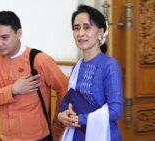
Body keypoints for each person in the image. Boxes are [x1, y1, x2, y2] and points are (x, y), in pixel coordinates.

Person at [0, 11, 68, 141]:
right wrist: (13, 89)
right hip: (5, 137)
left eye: (4, 37)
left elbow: (64, 88)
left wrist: (57, 127)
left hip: (38, 137)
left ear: (19, 34)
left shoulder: (39, 60)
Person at [57, 5, 123, 141]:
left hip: (103, 135)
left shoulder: (109, 65)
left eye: (87, 27)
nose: (80, 33)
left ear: (100, 33)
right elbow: (70, 101)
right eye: (76, 28)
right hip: (76, 133)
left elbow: (116, 110)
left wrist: (81, 119)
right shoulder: (78, 65)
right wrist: (62, 116)